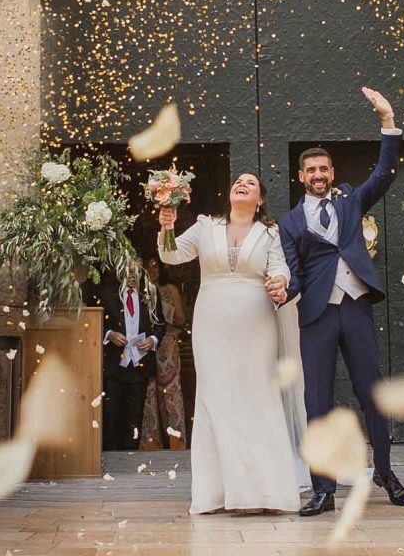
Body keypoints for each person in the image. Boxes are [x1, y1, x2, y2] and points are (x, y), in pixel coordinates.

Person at [274, 86, 404, 516]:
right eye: (311, 170)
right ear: (302, 177)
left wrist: (387, 120)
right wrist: (284, 290)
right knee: (317, 402)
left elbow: (385, 173)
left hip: (355, 308)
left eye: (323, 168)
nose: (318, 174)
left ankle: (386, 473)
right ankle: (323, 489)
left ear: (332, 172)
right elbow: (295, 274)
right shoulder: (291, 222)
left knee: (372, 394)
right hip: (315, 316)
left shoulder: (352, 203)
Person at [157, 172, 301, 514]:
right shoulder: (206, 227)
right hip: (212, 324)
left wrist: (279, 282)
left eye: (251, 184)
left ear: (260, 199)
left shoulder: (270, 233)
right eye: (238, 181)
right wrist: (167, 227)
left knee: (257, 396)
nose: (242, 185)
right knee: (216, 398)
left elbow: (280, 268)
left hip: (256, 323)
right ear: (229, 191)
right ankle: (218, 494)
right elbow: (171, 256)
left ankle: (266, 492)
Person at [93, 258, 165, 451]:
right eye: (129, 272)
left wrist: (153, 340)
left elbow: (160, 326)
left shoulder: (150, 294)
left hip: (139, 364)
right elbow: (93, 323)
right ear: (120, 271)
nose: (132, 276)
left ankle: (131, 457)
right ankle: (110, 456)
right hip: (114, 366)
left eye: (136, 272)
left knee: (135, 415)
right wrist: (109, 334)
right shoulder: (106, 293)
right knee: (111, 413)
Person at [140, 255, 188, 450]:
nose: (152, 271)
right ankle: (150, 442)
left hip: (167, 344)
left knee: (171, 392)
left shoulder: (170, 290)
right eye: (148, 267)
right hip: (145, 345)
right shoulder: (141, 292)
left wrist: (166, 315)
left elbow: (181, 319)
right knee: (149, 392)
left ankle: (177, 441)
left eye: (155, 267)